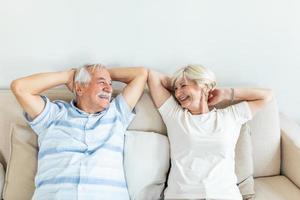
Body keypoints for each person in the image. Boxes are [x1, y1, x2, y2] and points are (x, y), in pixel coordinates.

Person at [11, 64, 148, 200]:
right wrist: (69, 76)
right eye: (101, 82)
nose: (109, 88)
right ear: (79, 88)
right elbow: (19, 88)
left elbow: (140, 74)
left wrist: (102, 73)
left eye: (110, 83)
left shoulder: (116, 113)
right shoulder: (53, 115)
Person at [147, 64, 273, 200]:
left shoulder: (230, 116)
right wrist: (176, 82)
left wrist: (226, 93)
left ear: (204, 86)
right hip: (183, 195)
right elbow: (152, 76)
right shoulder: (175, 116)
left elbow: (266, 96)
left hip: (225, 195)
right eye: (175, 89)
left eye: (183, 86)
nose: (177, 93)